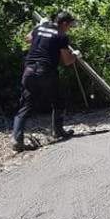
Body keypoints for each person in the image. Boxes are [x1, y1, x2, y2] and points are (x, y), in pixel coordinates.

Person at [12, 11, 80, 152]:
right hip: (46, 72)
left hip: (29, 71)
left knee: (26, 105)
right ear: (64, 23)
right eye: (70, 25)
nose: (70, 28)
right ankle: (58, 131)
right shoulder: (61, 35)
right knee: (58, 100)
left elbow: (28, 39)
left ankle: (16, 140)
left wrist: (38, 25)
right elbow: (67, 61)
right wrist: (75, 55)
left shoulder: (40, 29)